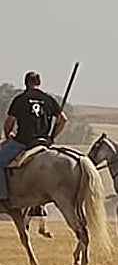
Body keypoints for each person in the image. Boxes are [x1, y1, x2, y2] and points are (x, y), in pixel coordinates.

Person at [0, 72, 68, 205]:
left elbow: (9, 123)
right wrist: (51, 138)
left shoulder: (20, 99)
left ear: (26, 83)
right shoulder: (49, 99)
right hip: (42, 142)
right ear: (39, 83)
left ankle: (2, 197)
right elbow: (63, 120)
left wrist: (8, 136)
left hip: (23, 142)